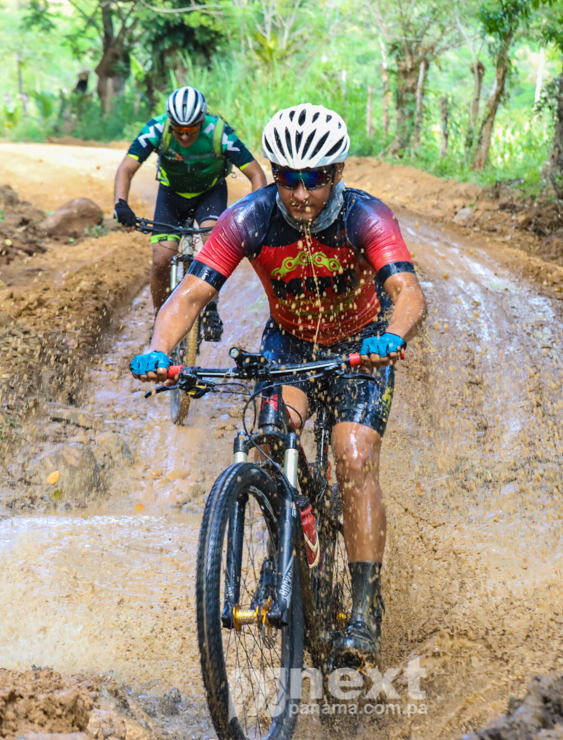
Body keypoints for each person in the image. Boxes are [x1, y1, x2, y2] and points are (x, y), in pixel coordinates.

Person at [130, 103, 427, 667]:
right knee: (268, 437)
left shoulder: (366, 215)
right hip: (290, 347)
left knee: (354, 455)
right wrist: (159, 349)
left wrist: (392, 335)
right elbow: (191, 293)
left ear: (337, 173)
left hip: (361, 348)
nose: (300, 194)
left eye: (315, 178)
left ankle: (364, 608)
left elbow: (408, 292)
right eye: (288, 178)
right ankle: (285, 539)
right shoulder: (249, 216)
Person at [113, 86, 267, 340]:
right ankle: (160, 318)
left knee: (211, 241)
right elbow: (126, 169)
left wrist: (258, 215)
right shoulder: (157, 129)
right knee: (161, 259)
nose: (184, 136)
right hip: (171, 195)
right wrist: (121, 204)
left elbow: (256, 174)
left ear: (202, 121)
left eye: (191, 129)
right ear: (170, 123)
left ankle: (211, 308)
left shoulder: (218, 133)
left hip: (210, 193)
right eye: (179, 129)